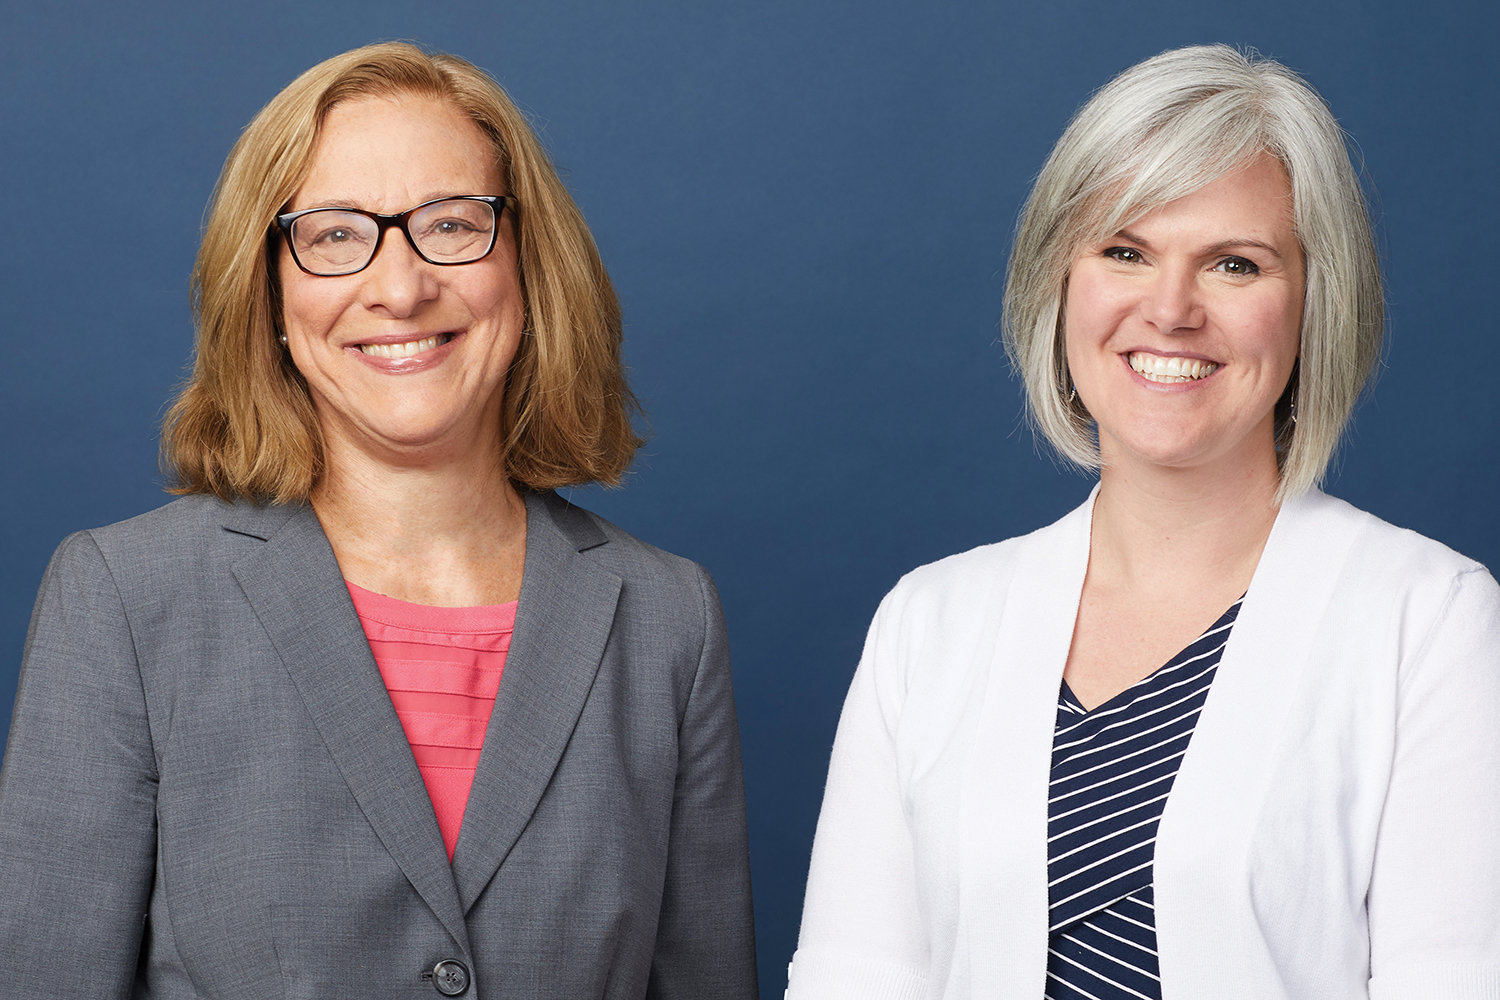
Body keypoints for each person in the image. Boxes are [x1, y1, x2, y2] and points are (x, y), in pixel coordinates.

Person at [0, 42, 757, 1000]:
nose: (399, 288)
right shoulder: (123, 599)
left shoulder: (666, 619)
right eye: (334, 234)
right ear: (271, 287)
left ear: (528, 264)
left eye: (450, 223)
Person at [787, 44, 1500, 1000]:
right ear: (1060, 282)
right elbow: (850, 980)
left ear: (1314, 303)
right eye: (1125, 251)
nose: (1170, 310)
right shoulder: (931, 624)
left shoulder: (1429, 621)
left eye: (1235, 265)